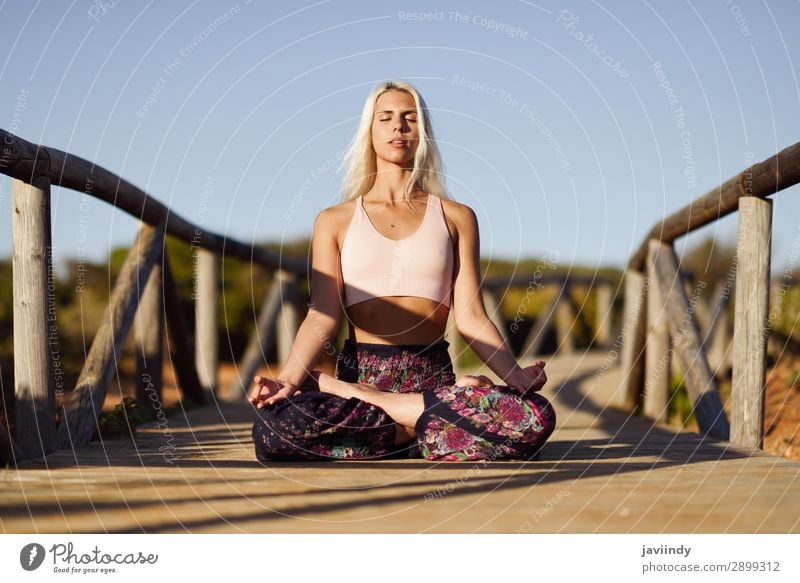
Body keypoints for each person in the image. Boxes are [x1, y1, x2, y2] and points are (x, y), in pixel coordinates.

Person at [250, 79, 555, 461]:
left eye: (410, 118)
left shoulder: (456, 216)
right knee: (273, 430)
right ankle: (422, 426)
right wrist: (289, 380)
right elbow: (322, 315)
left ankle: (396, 423)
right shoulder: (334, 220)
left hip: (432, 377)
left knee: (536, 417)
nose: (399, 127)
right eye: (387, 118)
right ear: (370, 131)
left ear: (422, 133)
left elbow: (473, 317)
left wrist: (515, 377)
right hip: (362, 378)